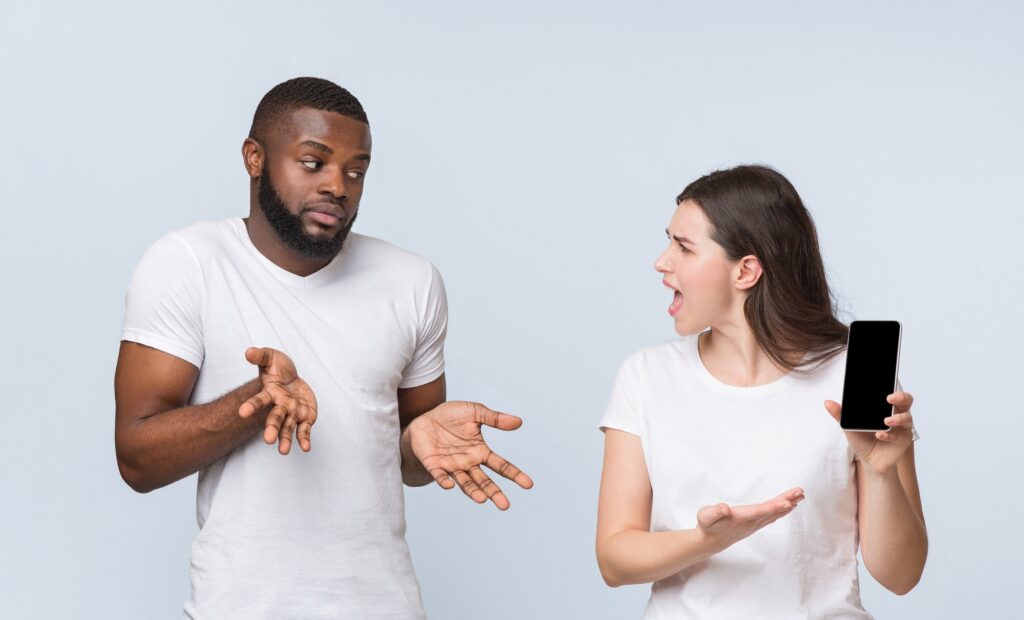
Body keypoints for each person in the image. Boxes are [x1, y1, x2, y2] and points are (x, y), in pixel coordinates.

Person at [114, 77, 533, 619]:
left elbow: (408, 463)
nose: (338, 186)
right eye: (314, 163)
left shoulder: (412, 281)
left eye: (356, 172)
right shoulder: (188, 264)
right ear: (255, 158)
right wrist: (255, 404)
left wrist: (419, 443)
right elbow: (136, 459)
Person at [595, 165, 927, 618]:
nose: (661, 261)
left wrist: (883, 473)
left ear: (746, 270)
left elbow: (901, 576)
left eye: (684, 247)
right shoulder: (646, 377)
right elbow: (614, 560)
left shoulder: (854, 377)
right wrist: (706, 541)